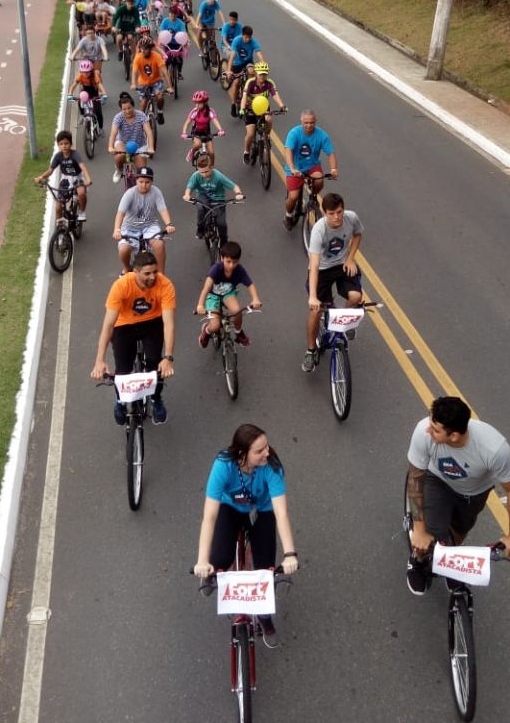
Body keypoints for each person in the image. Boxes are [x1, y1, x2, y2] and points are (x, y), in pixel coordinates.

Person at [193, 424, 298, 648]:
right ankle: (211, 573)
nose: (267, 453)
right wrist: (202, 561)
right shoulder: (223, 465)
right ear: (242, 454)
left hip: (263, 509)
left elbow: (281, 513)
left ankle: (264, 616)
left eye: (266, 446)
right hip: (231, 508)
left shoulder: (272, 466)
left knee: (266, 570)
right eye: (259, 451)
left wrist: (290, 554)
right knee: (220, 559)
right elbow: (209, 517)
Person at [406, 396, 510, 595]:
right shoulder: (423, 432)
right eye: (430, 423)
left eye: (435, 429)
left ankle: (449, 560)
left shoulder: (494, 449)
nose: (428, 430)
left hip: (474, 493)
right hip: (437, 480)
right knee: (432, 531)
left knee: (459, 532)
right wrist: (419, 529)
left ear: (453, 436)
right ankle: (418, 560)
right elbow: (415, 479)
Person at [90, 250, 175, 425]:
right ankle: (120, 400)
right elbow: (108, 325)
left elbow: (168, 323)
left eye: (155, 272)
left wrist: (168, 357)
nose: (153, 277)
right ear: (135, 272)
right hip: (124, 325)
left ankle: (156, 398)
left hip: (152, 323)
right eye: (147, 273)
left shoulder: (165, 285)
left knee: (155, 366)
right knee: (122, 371)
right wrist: (99, 360)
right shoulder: (121, 286)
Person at [302, 191, 364, 371]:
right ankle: (310, 351)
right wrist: (313, 296)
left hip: (342, 265)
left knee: (356, 297)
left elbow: (358, 235)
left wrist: (350, 258)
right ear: (324, 213)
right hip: (322, 270)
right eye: (332, 214)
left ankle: (345, 320)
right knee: (316, 310)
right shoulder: (319, 230)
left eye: (339, 212)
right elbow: (314, 265)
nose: (337, 217)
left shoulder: (351, 218)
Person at [196, 241, 261, 349]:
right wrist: (200, 305)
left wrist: (255, 299)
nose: (231, 265)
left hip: (228, 294)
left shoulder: (239, 270)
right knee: (215, 325)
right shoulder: (216, 269)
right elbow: (206, 288)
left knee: (237, 311)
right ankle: (206, 331)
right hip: (213, 296)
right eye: (228, 261)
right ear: (222, 258)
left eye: (235, 262)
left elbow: (250, 284)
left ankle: (238, 332)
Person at [113, 165, 174, 274]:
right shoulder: (129, 194)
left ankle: (161, 275)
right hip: (130, 227)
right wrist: (117, 229)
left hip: (149, 226)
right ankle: (127, 267)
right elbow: (120, 213)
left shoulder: (156, 192)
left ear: (152, 182)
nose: (144, 185)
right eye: (141, 182)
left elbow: (163, 209)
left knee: (159, 245)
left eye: (147, 182)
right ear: (136, 181)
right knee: (123, 250)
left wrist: (168, 224)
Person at [283, 110, 338, 231]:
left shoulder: (322, 135)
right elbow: (288, 151)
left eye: (311, 122)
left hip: (312, 166)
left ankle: (313, 196)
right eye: (306, 123)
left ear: (315, 122)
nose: (309, 125)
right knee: (293, 196)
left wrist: (334, 169)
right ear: (301, 122)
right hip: (295, 168)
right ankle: (288, 215)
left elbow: (330, 153)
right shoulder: (294, 133)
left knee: (319, 179)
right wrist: (292, 168)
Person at [183, 154, 244, 245]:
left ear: (211, 167)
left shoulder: (218, 176)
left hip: (218, 199)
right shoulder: (196, 176)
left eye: (206, 171)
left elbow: (234, 186)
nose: (204, 175)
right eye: (201, 172)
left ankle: (224, 241)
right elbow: (189, 188)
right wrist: (187, 195)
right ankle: (200, 229)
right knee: (200, 209)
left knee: (221, 223)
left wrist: (238, 194)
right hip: (203, 196)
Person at [33, 129, 92, 223]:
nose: (64, 146)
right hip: (66, 179)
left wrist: (88, 179)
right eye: (61, 144)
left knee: (81, 193)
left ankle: (82, 211)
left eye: (66, 143)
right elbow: (50, 170)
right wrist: (41, 177)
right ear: (58, 145)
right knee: (58, 207)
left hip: (77, 177)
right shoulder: (58, 156)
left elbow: (82, 166)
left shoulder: (75, 154)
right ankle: (60, 226)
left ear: (71, 144)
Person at [239, 61, 286, 164]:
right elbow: (244, 96)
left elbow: (275, 95)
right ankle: (246, 152)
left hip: (263, 108)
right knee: (250, 134)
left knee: (269, 119)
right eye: (260, 74)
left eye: (265, 74)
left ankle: (266, 137)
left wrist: (282, 106)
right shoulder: (250, 83)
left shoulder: (269, 83)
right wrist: (242, 108)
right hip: (250, 108)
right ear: (256, 73)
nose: (263, 76)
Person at [108, 91, 154, 182]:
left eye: (129, 108)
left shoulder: (141, 116)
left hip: (139, 145)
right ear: (121, 109)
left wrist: (151, 148)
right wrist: (110, 147)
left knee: (141, 173)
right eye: (124, 109)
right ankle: (119, 170)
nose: (127, 111)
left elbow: (149, 132)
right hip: (123, 143)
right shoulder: (118, 117)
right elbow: (113, 133)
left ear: (133, 106)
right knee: (120, 156)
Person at [131, 33, 173, 124]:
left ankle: (160, 112)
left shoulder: (156, 56)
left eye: (145, 48)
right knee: (143, 104)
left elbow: (165, 73)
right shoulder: (138, 58)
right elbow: (134, 72)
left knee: (160, 96)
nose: (143, 50)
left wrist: (170, 87)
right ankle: (141, 124)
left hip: (156, 81)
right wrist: (133, 84)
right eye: (142, 48)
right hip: (143, 83)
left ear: (150, 49)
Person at [225, 26, 264, 117]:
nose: (248, 39)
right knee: (236, 82)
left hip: (248, 62)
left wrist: (263, 67)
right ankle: (233, 104)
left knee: (252, 73)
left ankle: (249, 93)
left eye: (249, 37)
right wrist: (229, 70)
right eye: (246, 37)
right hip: (237, 64)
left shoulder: (253, 42)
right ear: (242, 35)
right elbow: (232, 56)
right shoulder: (237, 40)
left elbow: (259, 55)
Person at [182, 90, 225, 164]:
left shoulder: (210, 111)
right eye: (195, 103)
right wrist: (184, 132)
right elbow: (187, 123)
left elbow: (215, 121)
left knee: (211, 153)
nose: (197, 105)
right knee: (197, 144)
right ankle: (192, 152)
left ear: (205, 103)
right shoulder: (194, 112)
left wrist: (220, 130)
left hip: (206, 133)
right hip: (196, 133)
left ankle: (211, 167)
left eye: (199, 103)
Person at [68, 59, 107, 131]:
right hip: (85, 94)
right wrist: (70, 94)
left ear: (91, 71)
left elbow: (100, 85)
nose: (85, 74)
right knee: (79, 99)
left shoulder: (95, 76)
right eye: (83, 72)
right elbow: (73, 86)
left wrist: (104, 94)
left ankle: (101, 128)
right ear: (81, 72)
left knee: (98, 112)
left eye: (87, 72)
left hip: (94, 94)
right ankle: (82, 115)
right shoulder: (80, 76)